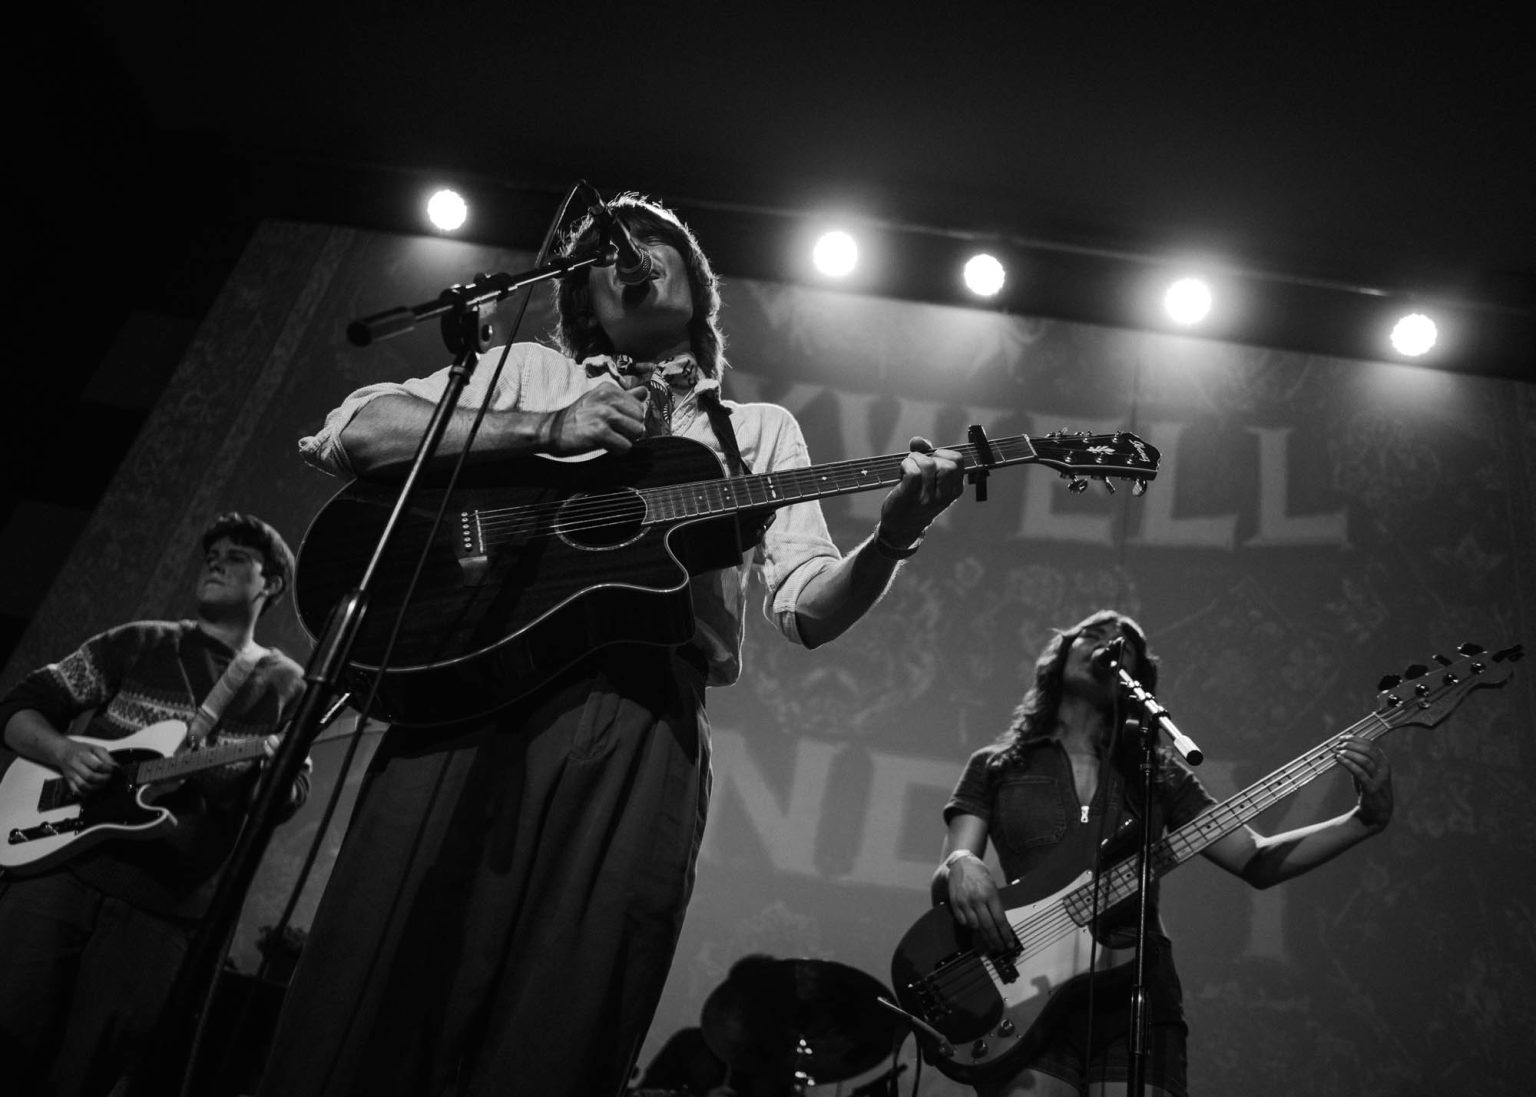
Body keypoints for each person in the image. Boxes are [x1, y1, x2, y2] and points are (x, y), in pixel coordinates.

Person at [257, 193, 966, 1097]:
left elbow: (808, 606)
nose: (629, 255)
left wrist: (896, 532)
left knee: (564, 1013)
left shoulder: (754, 434)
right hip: (462, 691)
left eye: (654, 244)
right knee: (378, 972)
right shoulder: (521, 371)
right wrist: (549, 429)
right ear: (581, 295)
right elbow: (358, 432)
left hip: (638, 718)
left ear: (697, 290)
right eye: (603, 251)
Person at [932, 609, 1394, 1097]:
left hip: (1135, 993)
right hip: (1024, 989)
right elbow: (950, 873)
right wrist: (962, 864)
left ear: (1136, 682)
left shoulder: (1157, 772)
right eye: (1093, 634)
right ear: (1060, 654)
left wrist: (1363, 820)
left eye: (1124, 645)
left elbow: (1254, 858)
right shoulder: (997, 765)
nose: (1109, 643)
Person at [0, 512, 310, 1097]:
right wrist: (65, 753)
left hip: (163, 913)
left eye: (237, 555)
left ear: (269, 584)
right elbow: (19, 708)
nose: (215, 560)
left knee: (92, 1074)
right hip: (55, 876)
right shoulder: (140, 639)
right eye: (211, 552)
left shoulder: (286, 685)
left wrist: (273, 771)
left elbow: (286, 801)